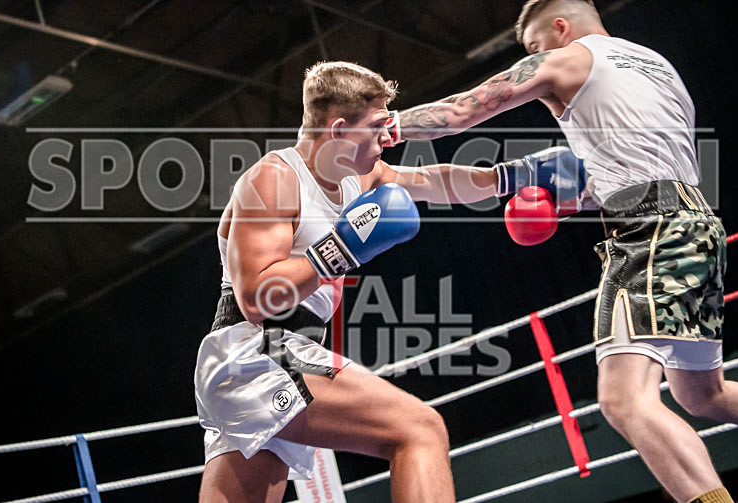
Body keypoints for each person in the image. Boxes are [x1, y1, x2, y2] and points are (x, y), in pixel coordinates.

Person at [383, 1, 738, 502]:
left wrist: (387, 126)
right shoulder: (656, 67)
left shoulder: (569, 58)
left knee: (624, 400)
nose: (533, 58)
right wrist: (399, 179)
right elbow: (596, 176)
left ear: (560, 27)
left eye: (534, 46)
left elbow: (464, 110)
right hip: (697, 227)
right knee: (703, 394)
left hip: (648, 230)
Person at [194, 60, 582, 503]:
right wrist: (341, 248)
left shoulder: (358, 178)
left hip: (281, 353)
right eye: (377, 125)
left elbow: (433, 183)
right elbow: (255, 299)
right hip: (256, 350)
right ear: (339, 130)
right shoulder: (275, 178)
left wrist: (511, 176)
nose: (388, 136)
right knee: (420, 429)